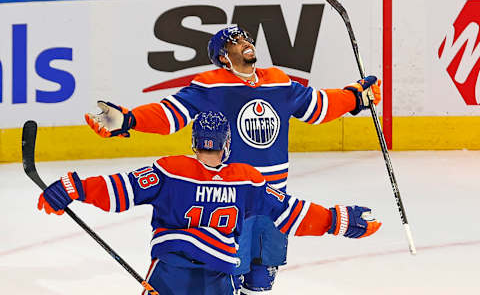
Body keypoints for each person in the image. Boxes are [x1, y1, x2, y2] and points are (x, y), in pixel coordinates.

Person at [84, 25, 381, 293]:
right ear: (224, 57)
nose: (245, 43)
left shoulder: (278, 81)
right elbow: (169, 114)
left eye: (245, 38)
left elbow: (317, 106)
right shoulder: (210, 86)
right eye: (235, 42)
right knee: (228, 280)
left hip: (273, 199)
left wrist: (355, 97)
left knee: (262, 279)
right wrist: (129, 119)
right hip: (232, 201)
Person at [38, 111, 382, 295]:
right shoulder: (246, 179)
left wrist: (72, 187)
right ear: (226, 144)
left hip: (170, 274)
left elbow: (118, 190)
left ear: (194, 141)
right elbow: (290, 212)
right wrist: (338, 220)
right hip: (218, 277)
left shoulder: (170, 170)